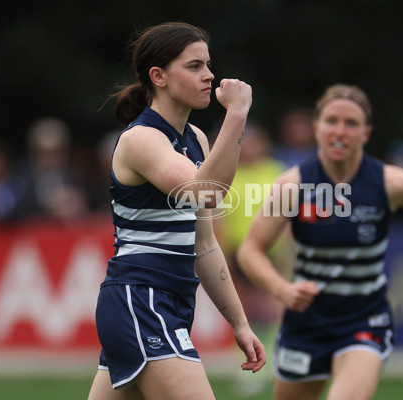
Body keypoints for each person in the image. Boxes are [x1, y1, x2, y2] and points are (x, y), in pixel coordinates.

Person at [237, 84, 403, 400]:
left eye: (351, 123)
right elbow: (250, 250)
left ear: (366, 133)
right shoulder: (293, 186)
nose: (340, 130)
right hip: (306, 320)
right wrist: (282, 289)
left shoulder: (388, 183)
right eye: (331, 121)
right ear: (317, 128)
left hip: (364, 317)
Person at [88, 22, 265, 400]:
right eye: (195, 66)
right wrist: (237, 113)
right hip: (142, 302)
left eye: (208, 64)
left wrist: (239, 323)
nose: (209, 75)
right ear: (159, 76)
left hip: (163, 305)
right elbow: (208, 193)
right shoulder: (142, 140)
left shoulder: (196, 141)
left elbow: (204, 245)